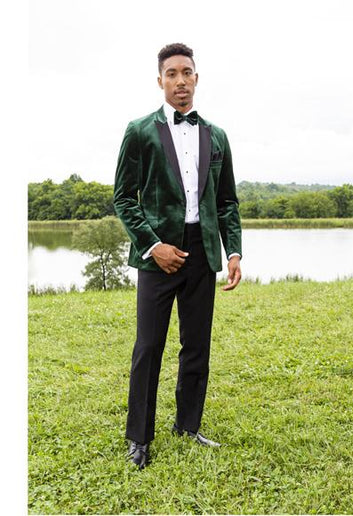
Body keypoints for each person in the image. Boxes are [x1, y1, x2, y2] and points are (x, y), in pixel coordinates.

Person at [114, 43, 242, 469]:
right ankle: (139, 438)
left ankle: (188, 425)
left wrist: (233, 250)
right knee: (149, 347)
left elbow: (227, 201)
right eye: (172, 73)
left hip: (202, 252)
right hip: (157, 254)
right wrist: (153, 245)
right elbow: (123, 198)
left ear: (196, 78)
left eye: (187, 72)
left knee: (197, 345)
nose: (180, 80)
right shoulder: (139, 131)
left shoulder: (216, 135)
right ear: (160, 81)